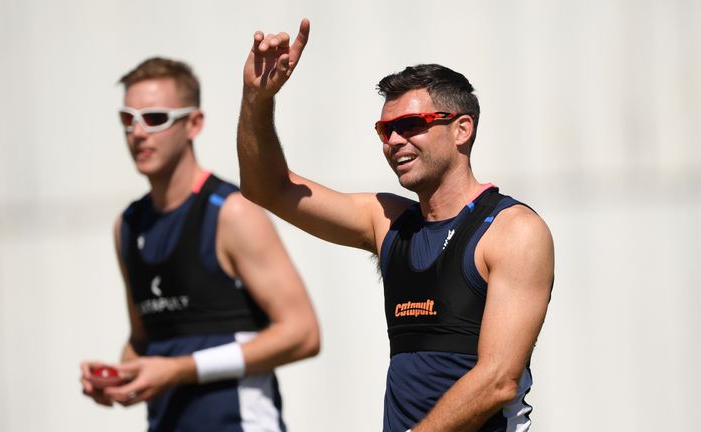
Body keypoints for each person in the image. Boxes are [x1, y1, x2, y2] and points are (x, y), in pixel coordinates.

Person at [236, 19, 554, 432]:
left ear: (462, 128)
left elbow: (496, 381)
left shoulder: (513, 230)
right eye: (386, 130)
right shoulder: (387, 221)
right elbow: (267, 188)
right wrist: (257, 100)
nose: (394, 141)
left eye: (410, 125)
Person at [80, 57, 320, 432]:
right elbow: (146, 340)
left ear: (194, 124)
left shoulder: (232, 212)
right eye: (128, 119)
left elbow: (303, 334)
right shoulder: (127, 226)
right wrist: (117, 378)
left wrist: (179, 370)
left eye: (155, 118)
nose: (138, 132)